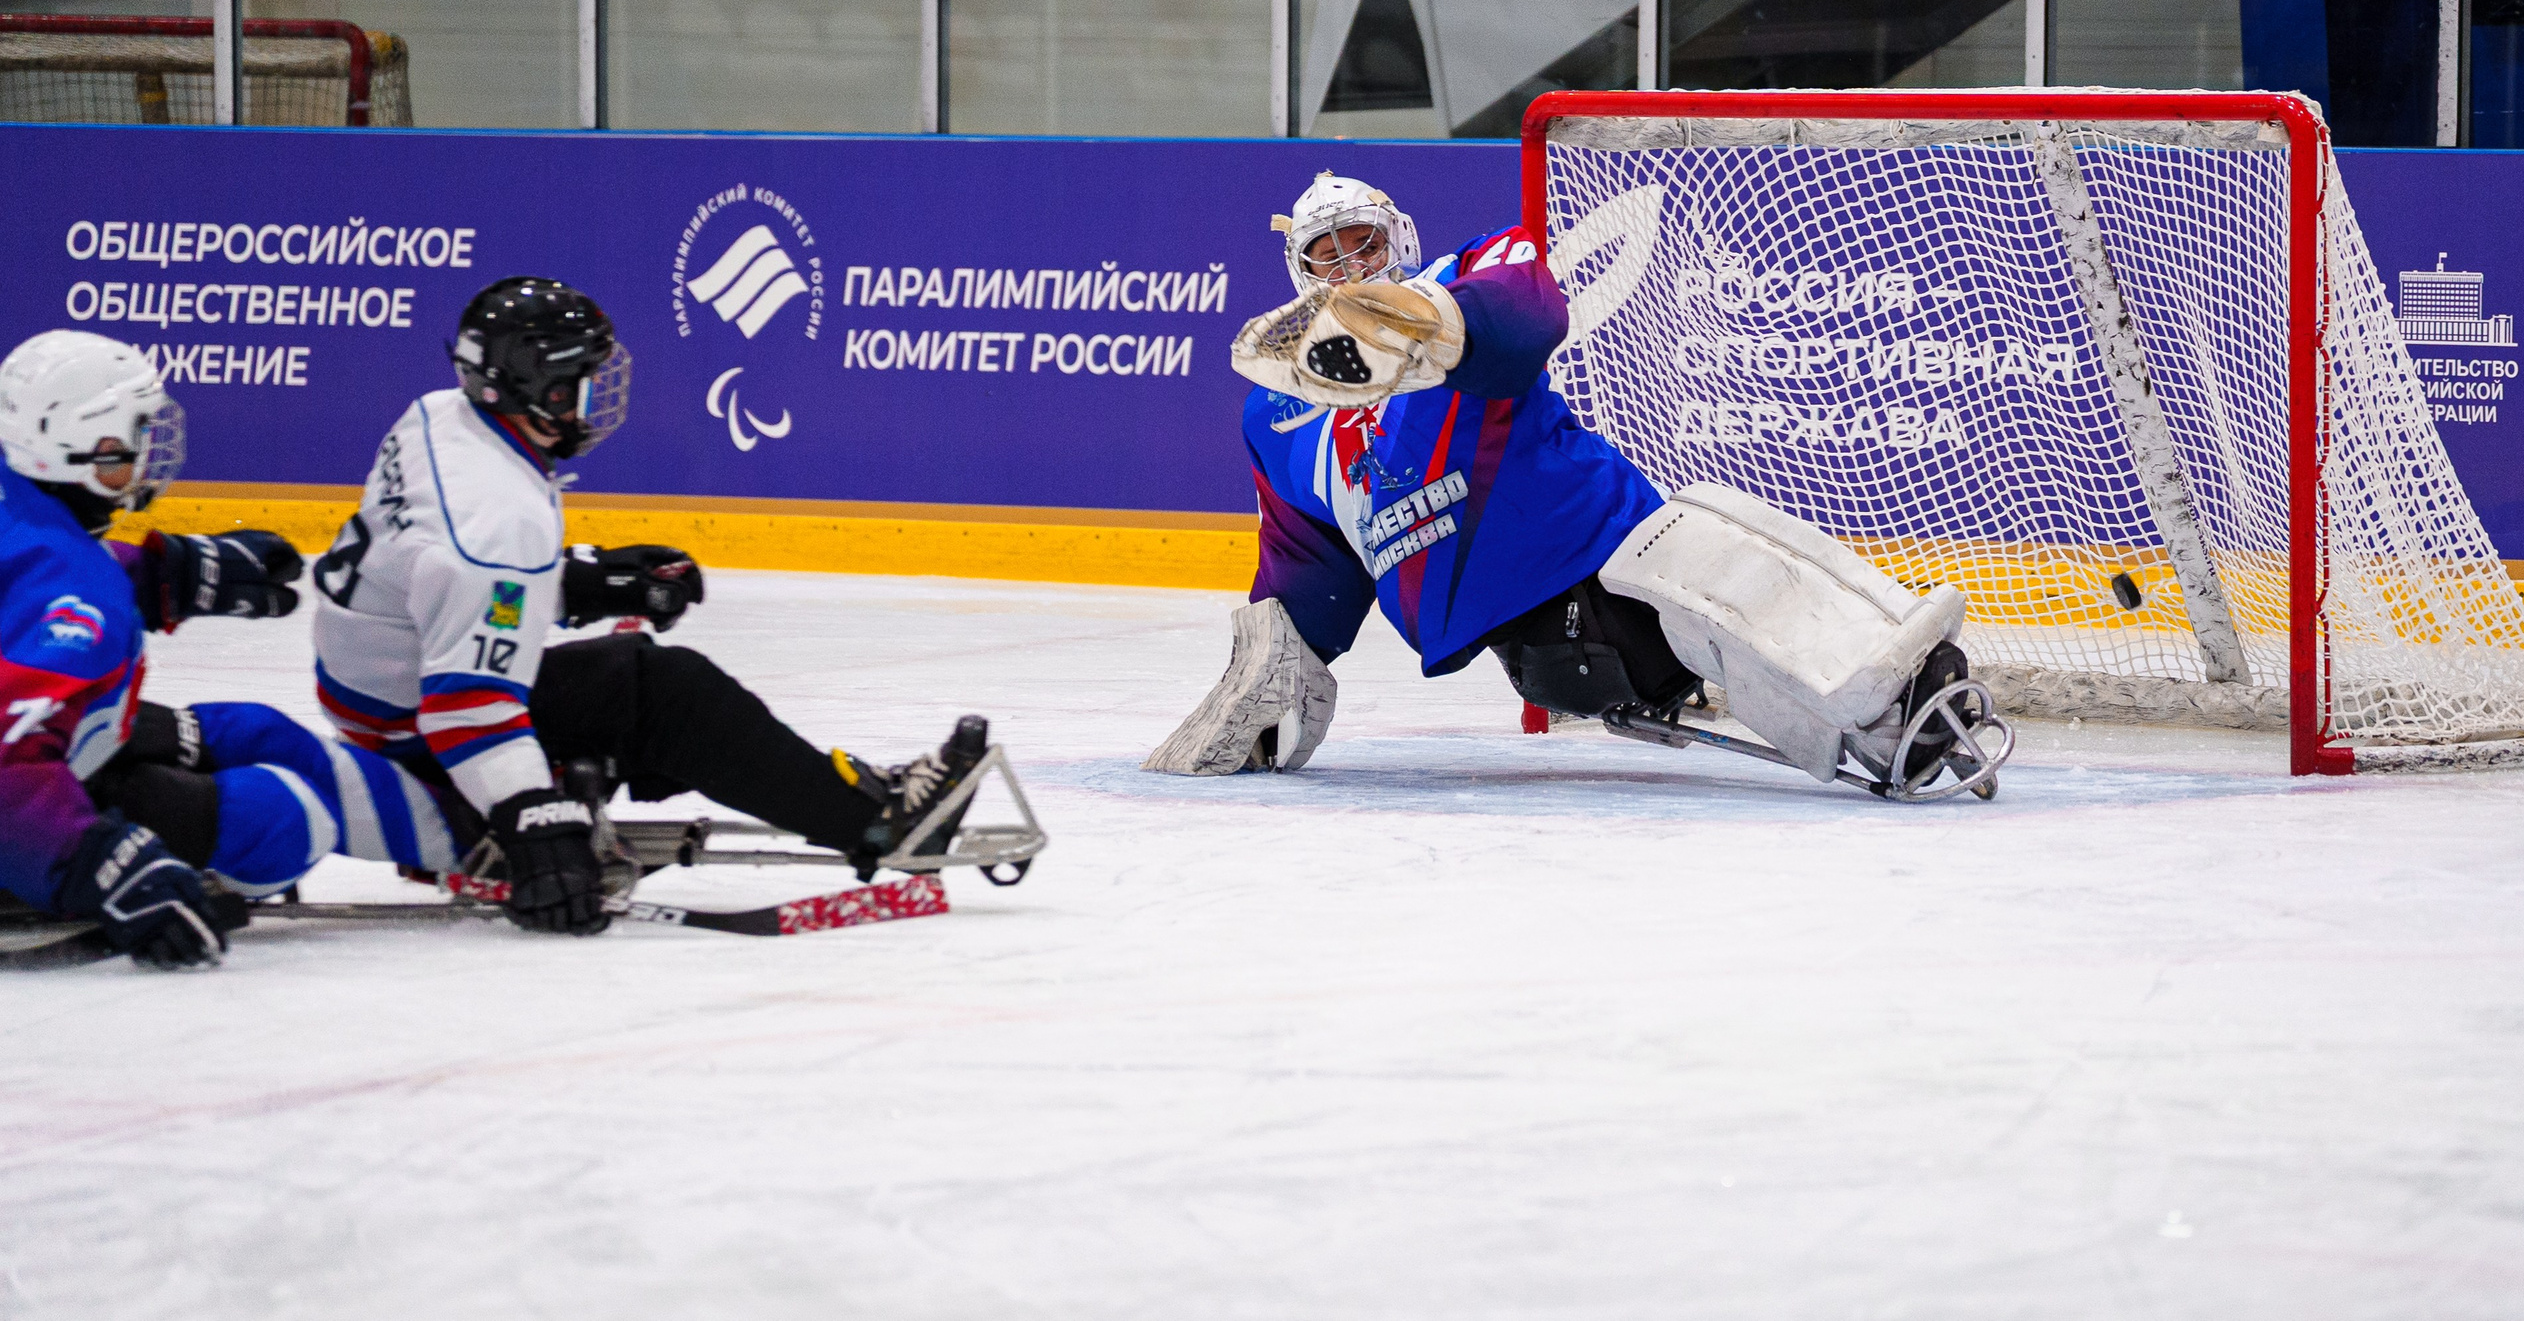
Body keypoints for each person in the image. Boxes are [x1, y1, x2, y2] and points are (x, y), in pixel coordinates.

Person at [1145, 173, 2002, 801]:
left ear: (1399, 238)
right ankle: (1894, 706)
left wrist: (1431, 328)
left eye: (1364, 243)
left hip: (1619, 565)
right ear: (1300, 274)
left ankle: (1898, 691)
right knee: (1695, 575)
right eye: (1325, 256)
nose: (1348, 267)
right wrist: (1271, 674)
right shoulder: (1276, 412)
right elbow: (1308, 566)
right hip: (1540, 656)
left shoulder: (1467, 271)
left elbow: (1528, 312)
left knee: (1705, 536)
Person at [308, 274, 1004, 937]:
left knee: (627, 672)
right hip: (414, 733)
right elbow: (468, 706)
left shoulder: (439, 416)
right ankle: (879, 824)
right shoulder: (498, 523)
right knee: (670, 694)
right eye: (580, 378)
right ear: (541, 387)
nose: (596, 391)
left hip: (375, 690)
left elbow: (432, 577)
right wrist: (528, 817)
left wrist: (579, 584)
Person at [0, 329, 431, 969]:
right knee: (281, 819)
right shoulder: (76, 594)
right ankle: (475, 842)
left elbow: (28, 571)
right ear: (86, 448)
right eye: (135, 433)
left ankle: (457, 832)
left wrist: (163, 571)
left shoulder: (34, 522)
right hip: (26, 814)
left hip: (56, 756)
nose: (149, 450)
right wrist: (104, 867)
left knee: (250, 731)